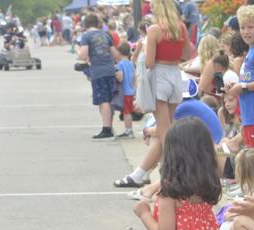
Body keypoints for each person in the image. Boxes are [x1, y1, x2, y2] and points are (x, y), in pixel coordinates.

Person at [113, 0, 188, 187]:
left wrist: (146, 50)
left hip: (159, 75)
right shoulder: (181, 27)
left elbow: (149, 62)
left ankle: (175, 167)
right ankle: (143, 173)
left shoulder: (154, 30)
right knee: (168, 125)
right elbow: (187, 54)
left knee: (163, 129)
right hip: (175, 75)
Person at [225, 5, 254, 149]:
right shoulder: (251, 50)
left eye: (251, 27)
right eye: (242, 27)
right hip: (249, 117)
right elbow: (248, 80)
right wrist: (235, 87)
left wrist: (242, 87)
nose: (245, 32)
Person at [77, 14, 119, 140]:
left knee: (103, 100)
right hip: (110, 70)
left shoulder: (86, 36)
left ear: (86, 24)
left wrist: (78, 51)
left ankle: (106, 129)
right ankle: (108, 125)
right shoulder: (106, 35)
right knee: (108, 99)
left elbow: (83, 56)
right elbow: (115, 54)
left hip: (98, 71)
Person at [115, 42, 136, 139]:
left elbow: (120, 78)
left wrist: (114, 75)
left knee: (126, 112)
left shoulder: (119, 65)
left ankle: (129, 131)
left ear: (119, 53)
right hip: (131, 90)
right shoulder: (131, 63)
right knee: (128, 111)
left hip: (124, 92)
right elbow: (134, 78)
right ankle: (128, 129)